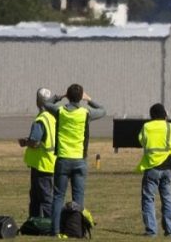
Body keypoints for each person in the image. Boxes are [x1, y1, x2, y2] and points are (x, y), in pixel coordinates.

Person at [43, 84, 106, 238]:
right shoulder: (85, 113)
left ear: (69, 96)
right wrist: (89, 99)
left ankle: (55, 231)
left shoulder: (60, 111)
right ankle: (77, 230)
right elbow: (103, 111)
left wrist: (60, 96)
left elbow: (46, 104)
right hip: (79, 160)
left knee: (58, 196)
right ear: (81, 97)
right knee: (78, 197)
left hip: (63, 159)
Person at [138, 103, 171, 237]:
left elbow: (141, 141)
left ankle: (151, 230)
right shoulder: (170, 127)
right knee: (167, 199)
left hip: (152, 166)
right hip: (167, 167)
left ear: (151, 115)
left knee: (148, 199)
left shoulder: (146, 127)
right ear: (165, 114)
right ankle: (170, 231)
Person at [20, 88, 58, 219]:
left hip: (41, 164)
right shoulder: (53, 117)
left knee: (43, 198)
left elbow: (35, 142)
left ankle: (49, 225)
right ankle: (36, 223)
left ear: (37, 101)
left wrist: (25, 142)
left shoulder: (41, 120)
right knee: (39, 197)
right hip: (51, 162)